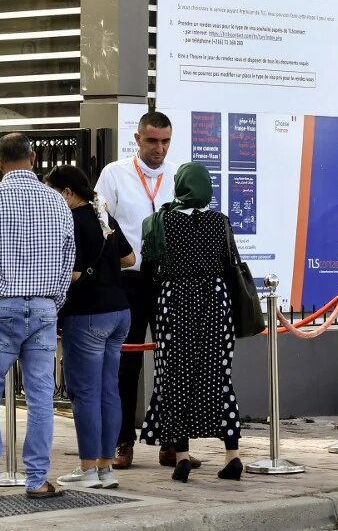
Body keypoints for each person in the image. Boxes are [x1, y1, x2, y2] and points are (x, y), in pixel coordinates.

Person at [0, 133, 75, 500]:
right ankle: (37, 480)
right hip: (43, 308)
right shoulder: (56, 201)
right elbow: (69, 259)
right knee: (40, 396)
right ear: (33, 157)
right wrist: (53, 301)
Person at [95, 110, 192, 470]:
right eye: (152, 140)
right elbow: (102, 221)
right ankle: (123, 442)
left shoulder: (179, 175)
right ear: (137, 139)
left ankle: (173, 444)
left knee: (174, 363)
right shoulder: (115, 174)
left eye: (165, 141)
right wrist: (122, 255)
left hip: (170, 281)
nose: (159, 148)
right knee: (127, 363)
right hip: (131, 280)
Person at [139, 163, 243, 483]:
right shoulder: (220, 222)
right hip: (215, 300)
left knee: (176, 378)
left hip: (175, 302)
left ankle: (182, 456)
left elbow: (149, 269)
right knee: (218, 377)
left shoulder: (159, 222)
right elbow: (231, 265)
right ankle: (232, 455)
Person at [44, 165, 135, 490]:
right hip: (120, 312)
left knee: (84, 393)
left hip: (87, 316)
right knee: (108, 390)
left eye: (52, 192)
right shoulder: (102, 217)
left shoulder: (70, 220)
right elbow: (129, 258)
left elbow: (75, 274)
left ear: (67, 193)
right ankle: (105, 468)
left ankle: (87, 469)